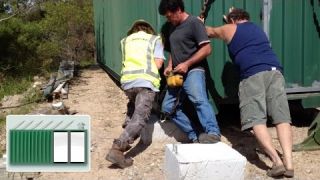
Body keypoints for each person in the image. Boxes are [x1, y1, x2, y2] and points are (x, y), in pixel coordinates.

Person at [205, 8, 294, 177]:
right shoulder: (257, 30)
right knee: (282, 118)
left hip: (252, 74)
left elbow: (209, 32)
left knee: (256, 119)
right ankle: (289, 163)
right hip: (274, 72)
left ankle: (277, 162)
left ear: (231, 20)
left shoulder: (229, 28)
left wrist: (199, 23)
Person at [158, 0, 221, 143]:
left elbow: (206, 49)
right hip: (177, 74)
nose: (168, 20)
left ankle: (213, 133)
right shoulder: (171, 28)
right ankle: (195, 136)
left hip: (194, 70)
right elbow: (174, 51)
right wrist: (169, 66)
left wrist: (187, 63)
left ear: (178, 10)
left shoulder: (194, 23)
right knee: (168, 108)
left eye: (169, 16)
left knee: (198, 100)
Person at [106, 19, 165, 168]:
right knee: (140, 118)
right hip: (145, 81)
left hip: (127, 83)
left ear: (134, 29)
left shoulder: (125, 41)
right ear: (148, 29)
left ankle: (128, 124)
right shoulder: (155, 39)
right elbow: (158, 64)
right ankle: (118, 148)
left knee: (133, 105)